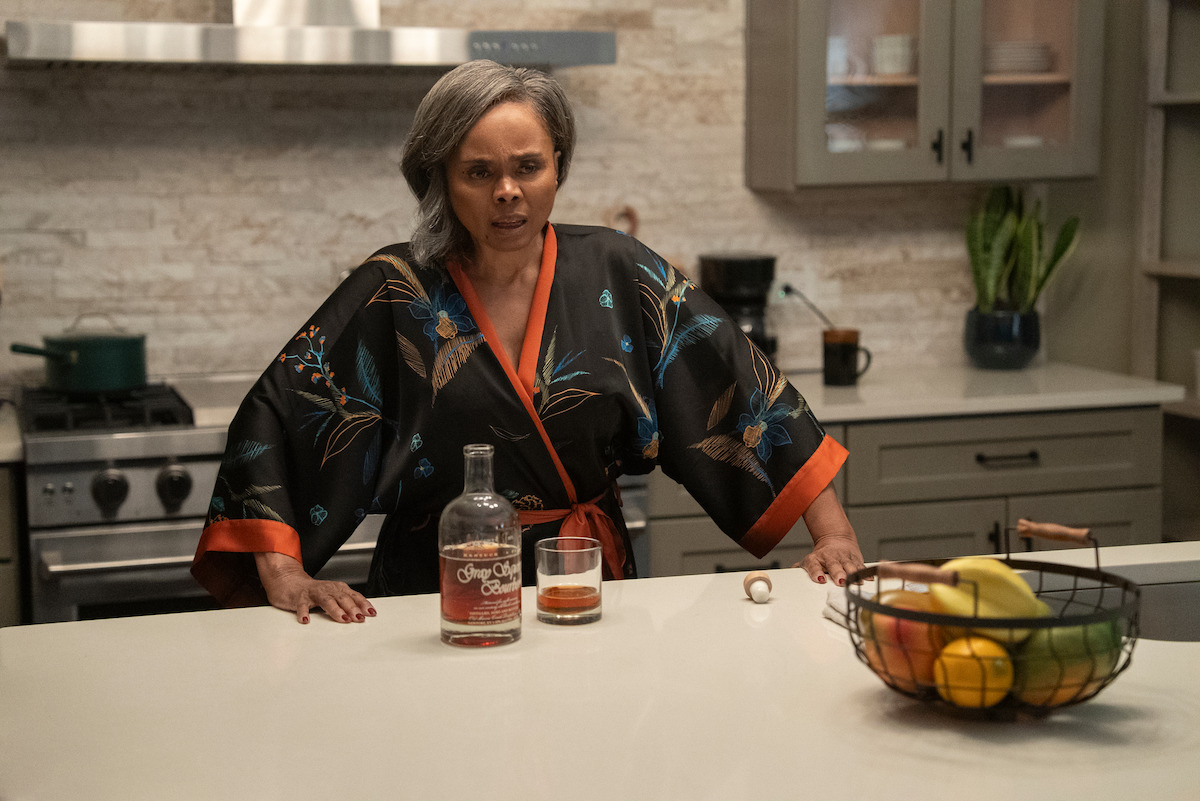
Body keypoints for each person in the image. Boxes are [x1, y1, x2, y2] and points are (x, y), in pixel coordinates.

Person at [192, 59, 865, 625]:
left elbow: (737, 383)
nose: (508, 191)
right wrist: (283, 574)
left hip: (584, 586)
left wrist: (832, 534)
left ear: (558, 167)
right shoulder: (393, 289)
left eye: (528, 166)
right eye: (478, 172)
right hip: (431, 601)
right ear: (441, 180)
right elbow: (278, 412)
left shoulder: (618, 270)